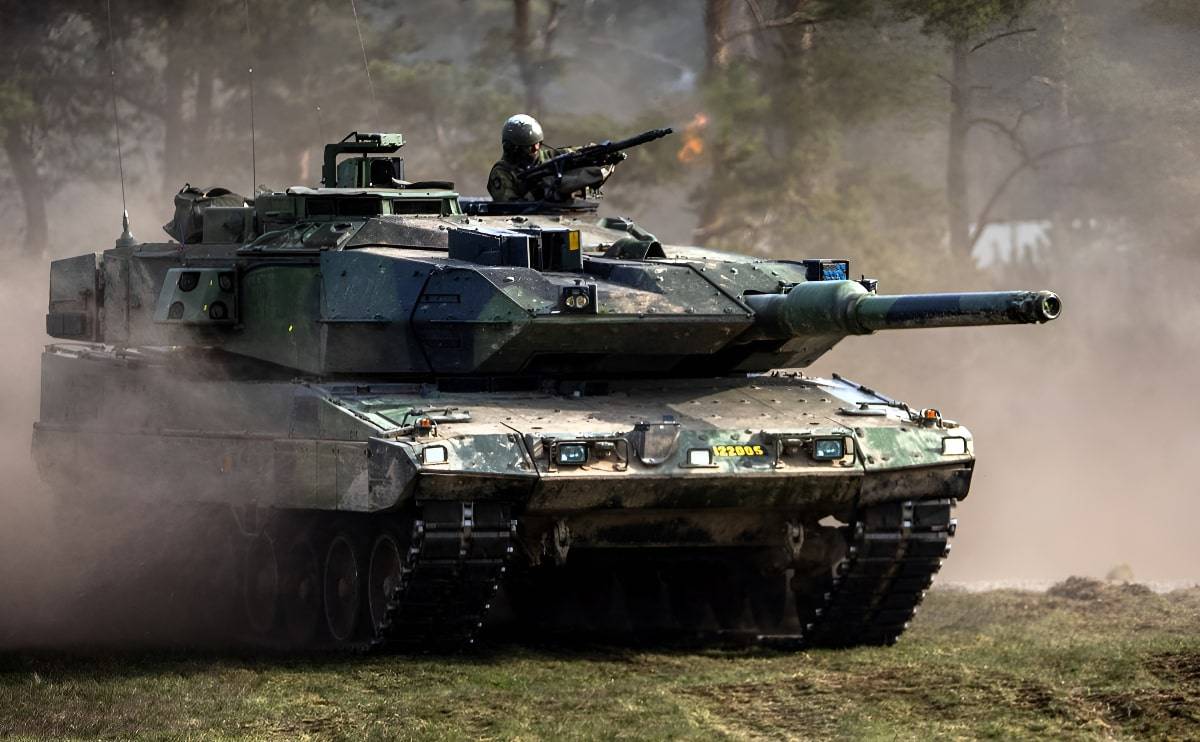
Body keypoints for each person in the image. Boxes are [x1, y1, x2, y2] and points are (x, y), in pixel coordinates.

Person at [487, 114, 568, 202]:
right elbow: (509, 205)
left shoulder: (549, 157)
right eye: (531, 147)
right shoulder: (502, 172)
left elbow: (574, 153)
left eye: (539, 144)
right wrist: (537, 192)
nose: (536, 148)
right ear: (514, 148)